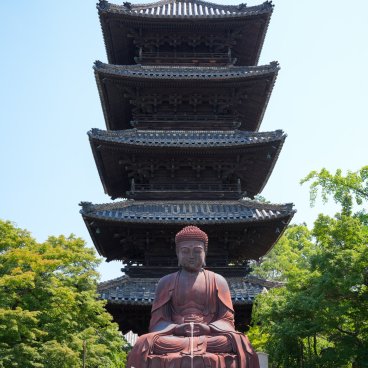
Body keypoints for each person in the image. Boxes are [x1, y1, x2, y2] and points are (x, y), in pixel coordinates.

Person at [127, 226, 260, 368]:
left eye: (197, 251)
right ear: (177, 253)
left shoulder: (218, 280)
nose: (191, 256)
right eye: (185, 251)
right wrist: (177, 329)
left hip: (210, 336)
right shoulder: (166, 282)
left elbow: (227, 320)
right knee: (144, 341)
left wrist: (208, 328)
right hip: (175, 337)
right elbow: (158, 321)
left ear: (205, 253)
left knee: (238, 341)